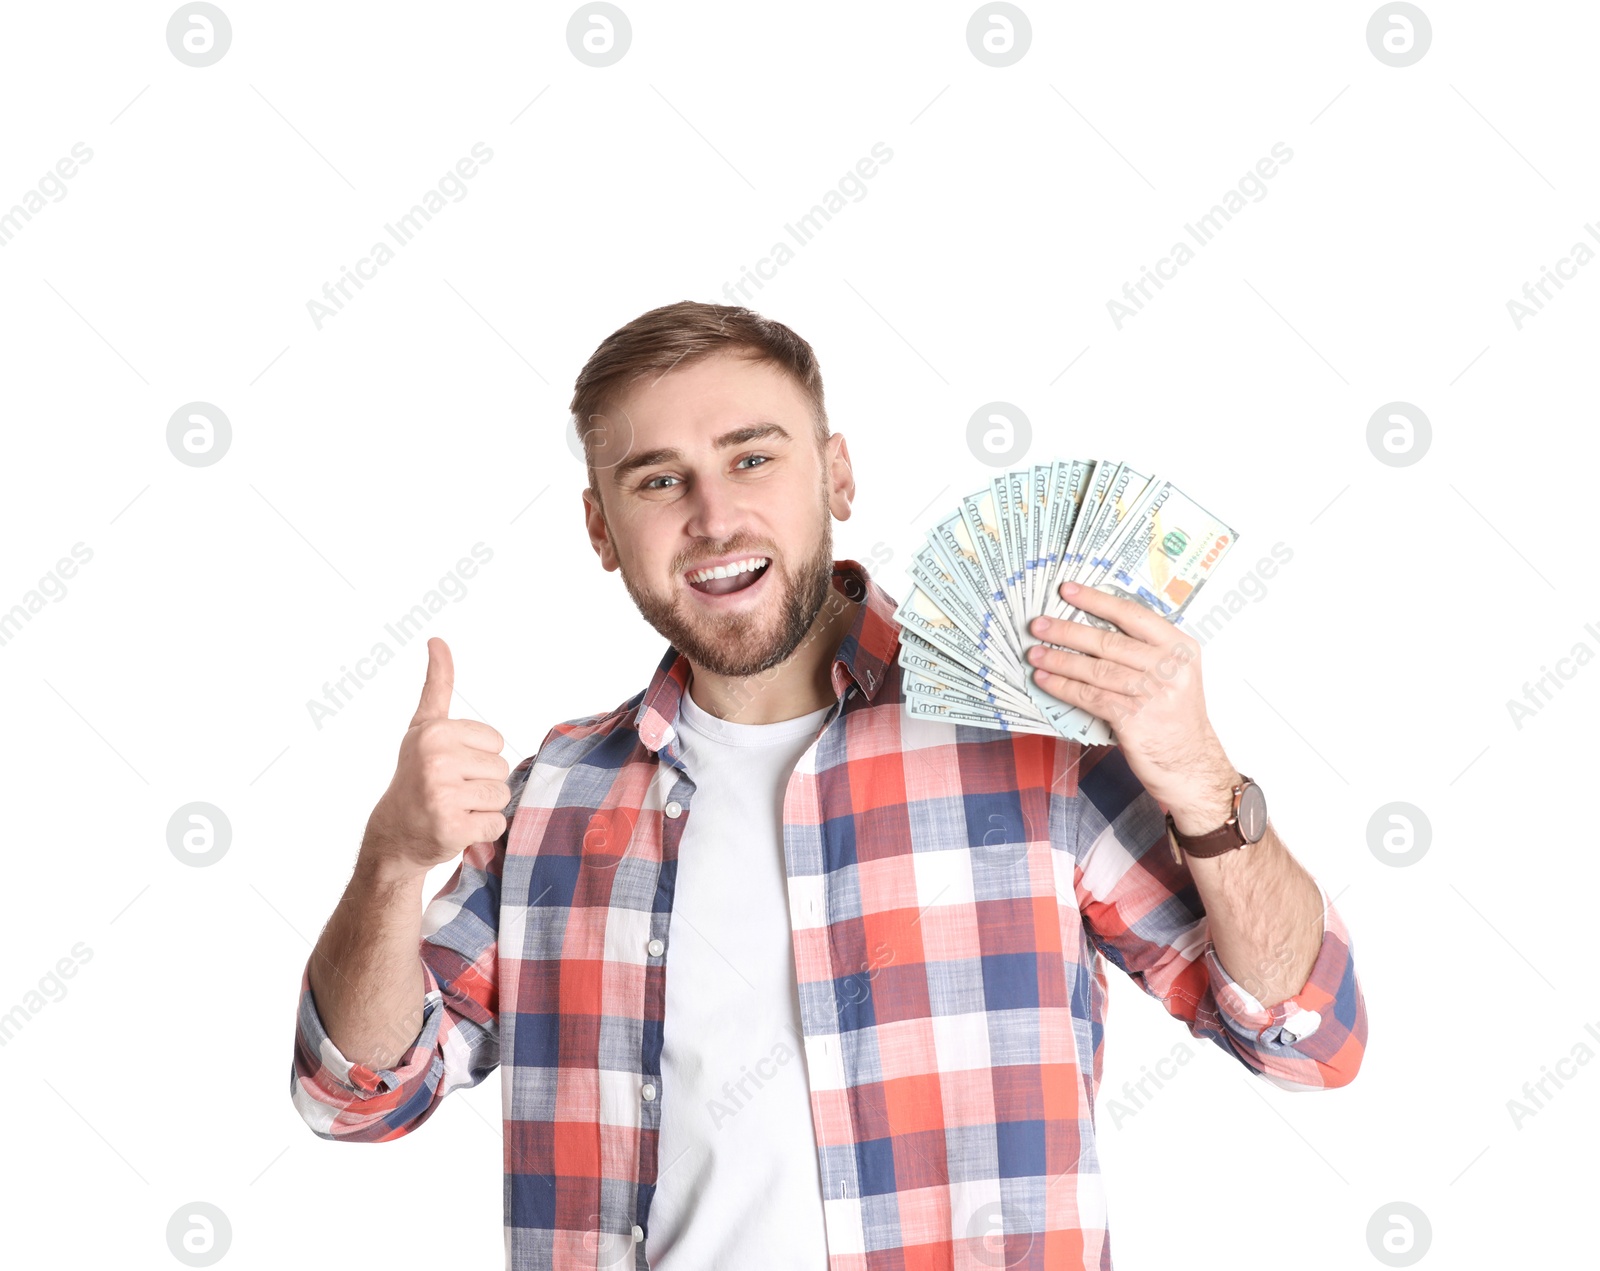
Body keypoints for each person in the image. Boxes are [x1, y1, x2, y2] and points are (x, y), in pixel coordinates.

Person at [290, 301, 1367, 1270]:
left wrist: (1200, 783)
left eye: (751, 458)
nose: (712, 517)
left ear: (837, 473)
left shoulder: (1031, 748)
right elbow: (356, 1093)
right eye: (658, 480)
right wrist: (392, 859)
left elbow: (1311, 1037)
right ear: (600, 530)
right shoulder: (550, 802)